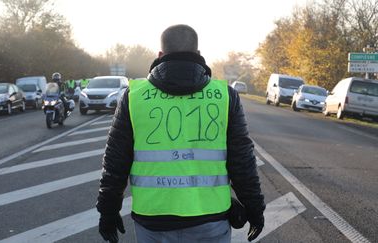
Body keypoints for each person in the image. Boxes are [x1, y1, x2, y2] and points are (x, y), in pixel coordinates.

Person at [97, 24, 265, 243]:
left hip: (153, 221)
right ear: (198, 55)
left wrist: (108, 211)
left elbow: (115, 161)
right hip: (210, 220)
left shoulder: (135, 97)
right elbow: (242, 161)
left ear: (160, 55)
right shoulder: (225, 96)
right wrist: (254, 208)